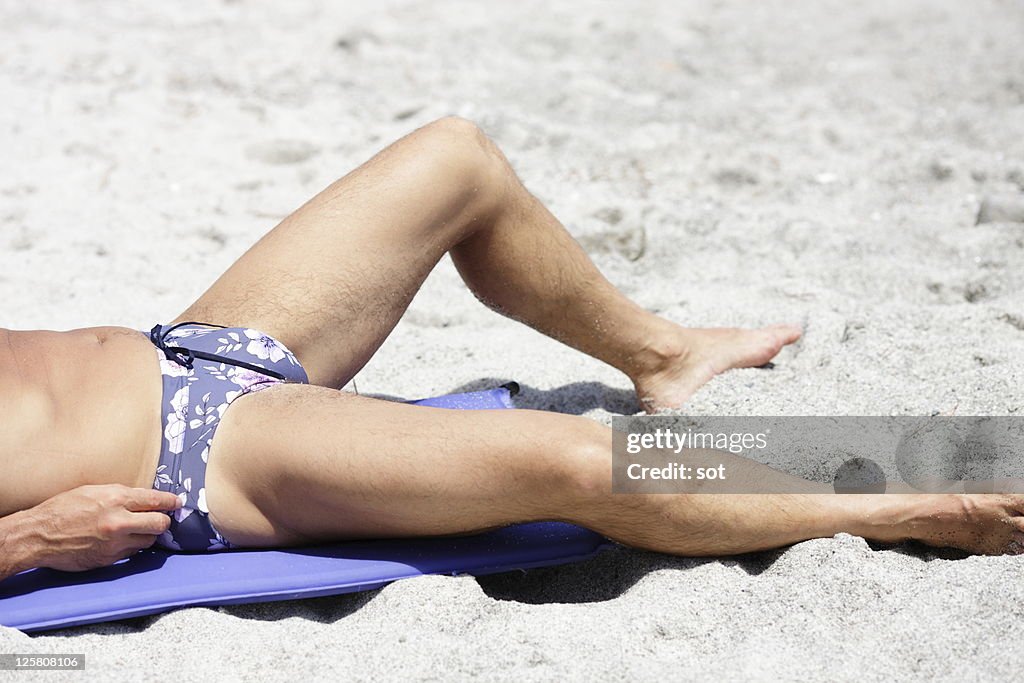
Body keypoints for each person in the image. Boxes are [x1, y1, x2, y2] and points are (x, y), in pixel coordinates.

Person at [1, 117, 1021, 582]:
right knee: (580, 459)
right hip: (190, 462)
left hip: (184, 350)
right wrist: (30, 540)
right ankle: (893, 503)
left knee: (455, 159)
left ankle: (661, 353)